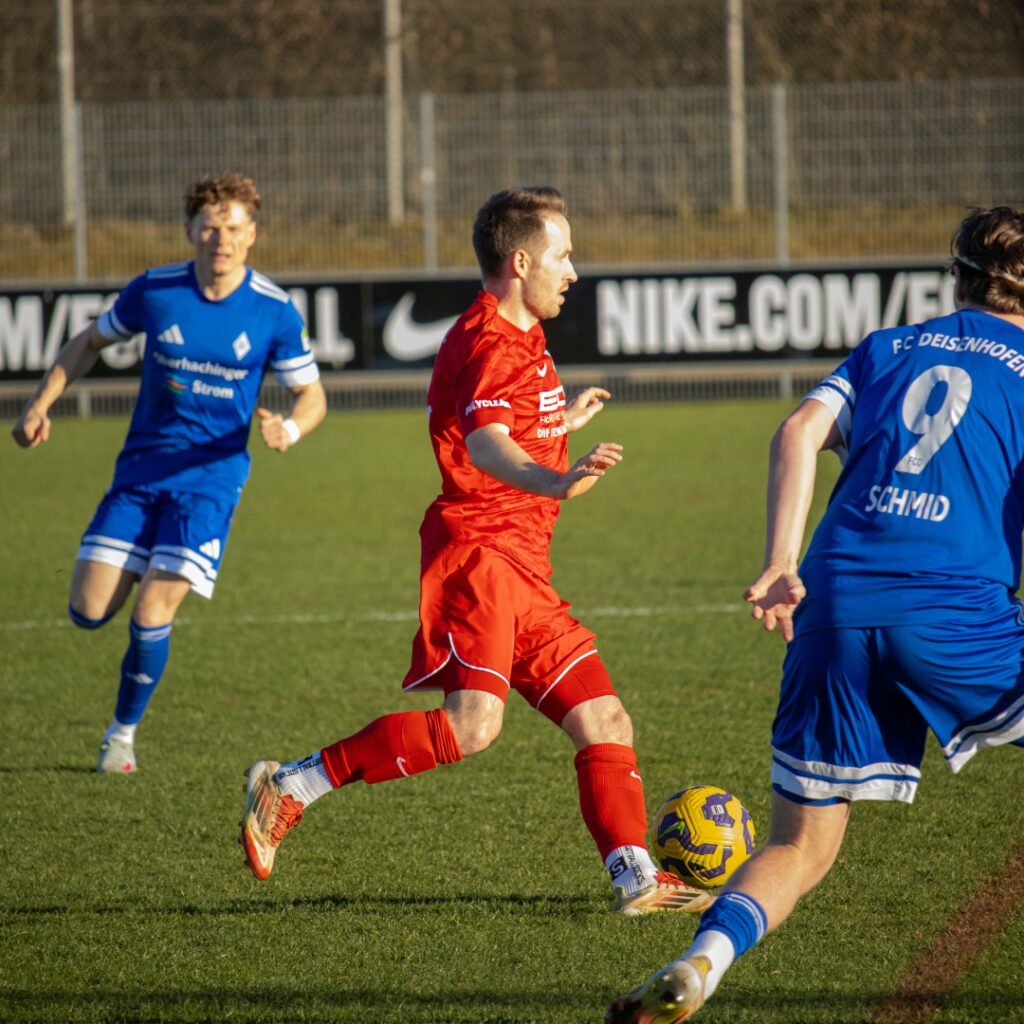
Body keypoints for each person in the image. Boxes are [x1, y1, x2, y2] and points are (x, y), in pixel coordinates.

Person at [239, 186, 710, 915]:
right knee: (472, 726)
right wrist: (557, 475)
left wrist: (562, 431)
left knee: (607, 721)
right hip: (481, 558)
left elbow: (516, 436)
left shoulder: (523, 336)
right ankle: (292, 784)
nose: (574, 272)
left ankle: (636, 877)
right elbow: (489, 446)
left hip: (526, 566)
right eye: (563, 256)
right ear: (521, 261)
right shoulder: (491, 339)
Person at [606, 205, 1024, 1022]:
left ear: (957, 276)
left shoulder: (889, 347)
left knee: (799, 845)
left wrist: (779, 561)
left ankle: (700, 962)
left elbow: (800, 428)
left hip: (832, 601)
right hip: (953, 608)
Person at [11, 173, 326, 774]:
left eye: (233, 228)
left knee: (153, 611)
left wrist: (291, 428)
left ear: (251, 235)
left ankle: (120, 737)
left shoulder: (274, 310)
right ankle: (130, 565)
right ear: (189, 232)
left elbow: (312, 395)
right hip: (139, 472)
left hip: (211, 481)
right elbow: (87, 342)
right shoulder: (155, 291)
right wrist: (40, 402)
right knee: (87, 610)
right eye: (209, 227)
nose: (220, 239)